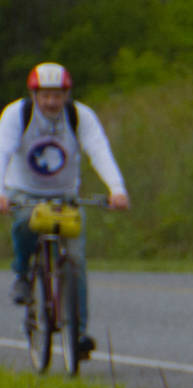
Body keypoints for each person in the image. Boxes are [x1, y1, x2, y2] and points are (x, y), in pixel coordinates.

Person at [0, 63, 131, 357]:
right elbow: (2, 151)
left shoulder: (80, 116)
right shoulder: (16, 114)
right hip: (24, 192)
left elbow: (98, 150)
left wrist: (117, 189)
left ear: (67, 94)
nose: (51, 102)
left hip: (65, 196)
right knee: (24, 223)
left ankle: (78, 334)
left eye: (57, 95)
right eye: (45, 95)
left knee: (75, 259)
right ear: (34, 94)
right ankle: (22, 273)